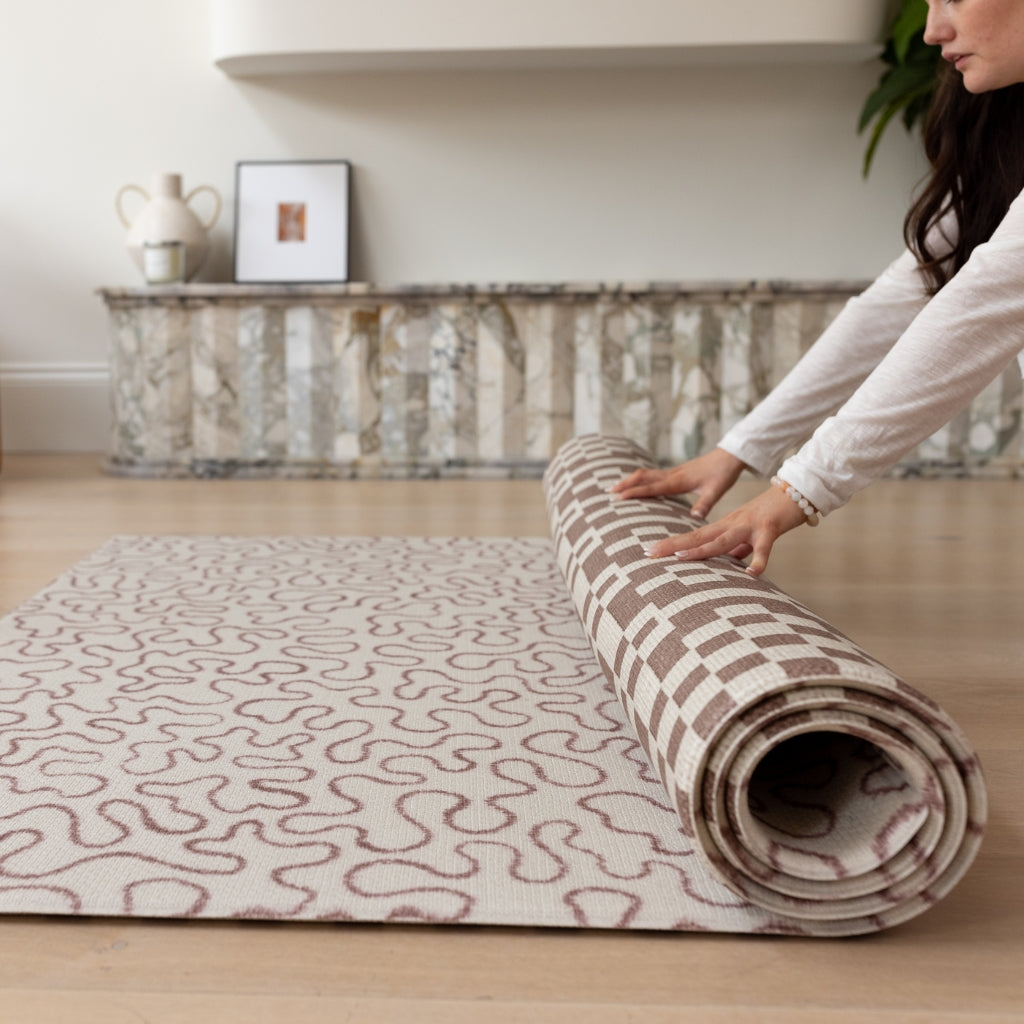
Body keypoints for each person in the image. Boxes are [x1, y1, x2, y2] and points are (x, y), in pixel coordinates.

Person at [612, 0, 1024, 577]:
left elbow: (974, 311)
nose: (933, 30)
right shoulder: (1005, 135)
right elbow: (892, 305)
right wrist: (740, 450)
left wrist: (798, 491)